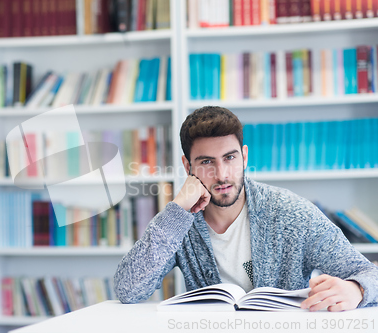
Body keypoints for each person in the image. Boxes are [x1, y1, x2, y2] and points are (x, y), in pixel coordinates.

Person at [113, 106, 378, 311]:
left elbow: (369, 273)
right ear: (187, 167)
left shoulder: (291, 213)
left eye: (230, 158)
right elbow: (128, 289)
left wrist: (357, 289)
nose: (222, 174)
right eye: (206, 162)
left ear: (245, 156)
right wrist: (176, 210)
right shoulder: (180, 221)